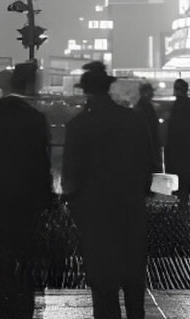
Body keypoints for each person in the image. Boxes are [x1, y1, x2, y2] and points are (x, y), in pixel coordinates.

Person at [62, 61, 158, 319]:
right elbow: (148, 167)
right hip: (130, 209)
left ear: (86, 92)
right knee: (133, 281)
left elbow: (70, 178)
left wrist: (73, 205)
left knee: (103, 288)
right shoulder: (133, 121)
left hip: (95, 215)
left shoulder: (78, 126)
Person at [0, 61, 52, 319]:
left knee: (4, 252)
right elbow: (41, 164)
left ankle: (6, 306)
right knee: (26, 254)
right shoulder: (34, 119)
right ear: (30, 84)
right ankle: (24, 306)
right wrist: (47, 199)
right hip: (27, 199)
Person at [166, 78, 190, 207]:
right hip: (186, 153)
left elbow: (172, 134)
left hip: (178, 155)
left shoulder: (177, 107)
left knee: (181, 191)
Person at [132, 82, 162, 174]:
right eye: (151, 91)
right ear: (146, 92)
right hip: (148, 148)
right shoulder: (145, 107)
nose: (153, 94)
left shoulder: (142, 106)